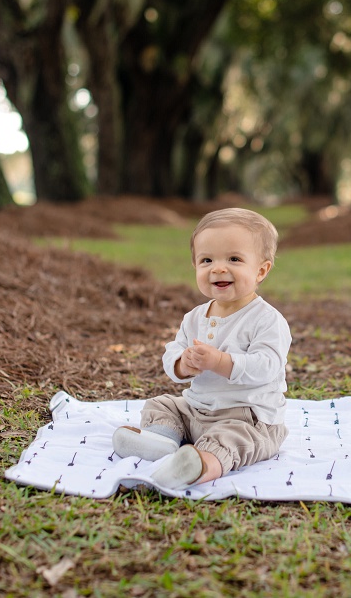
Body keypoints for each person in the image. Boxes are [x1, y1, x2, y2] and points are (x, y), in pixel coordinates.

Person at [112, 207, 291, 490]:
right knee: (163, 404)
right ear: (195, 266)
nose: (218, 268)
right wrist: (183, 363)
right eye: (207, 259)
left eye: (234, 258)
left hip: (248, 417)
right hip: (197, 409)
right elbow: (173, 351)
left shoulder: (267, 319)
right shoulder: (195, 317)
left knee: (230, 440)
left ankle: (199, 466)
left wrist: (220, 361)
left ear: (261, 270)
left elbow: (267, 366)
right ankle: (161, 442)